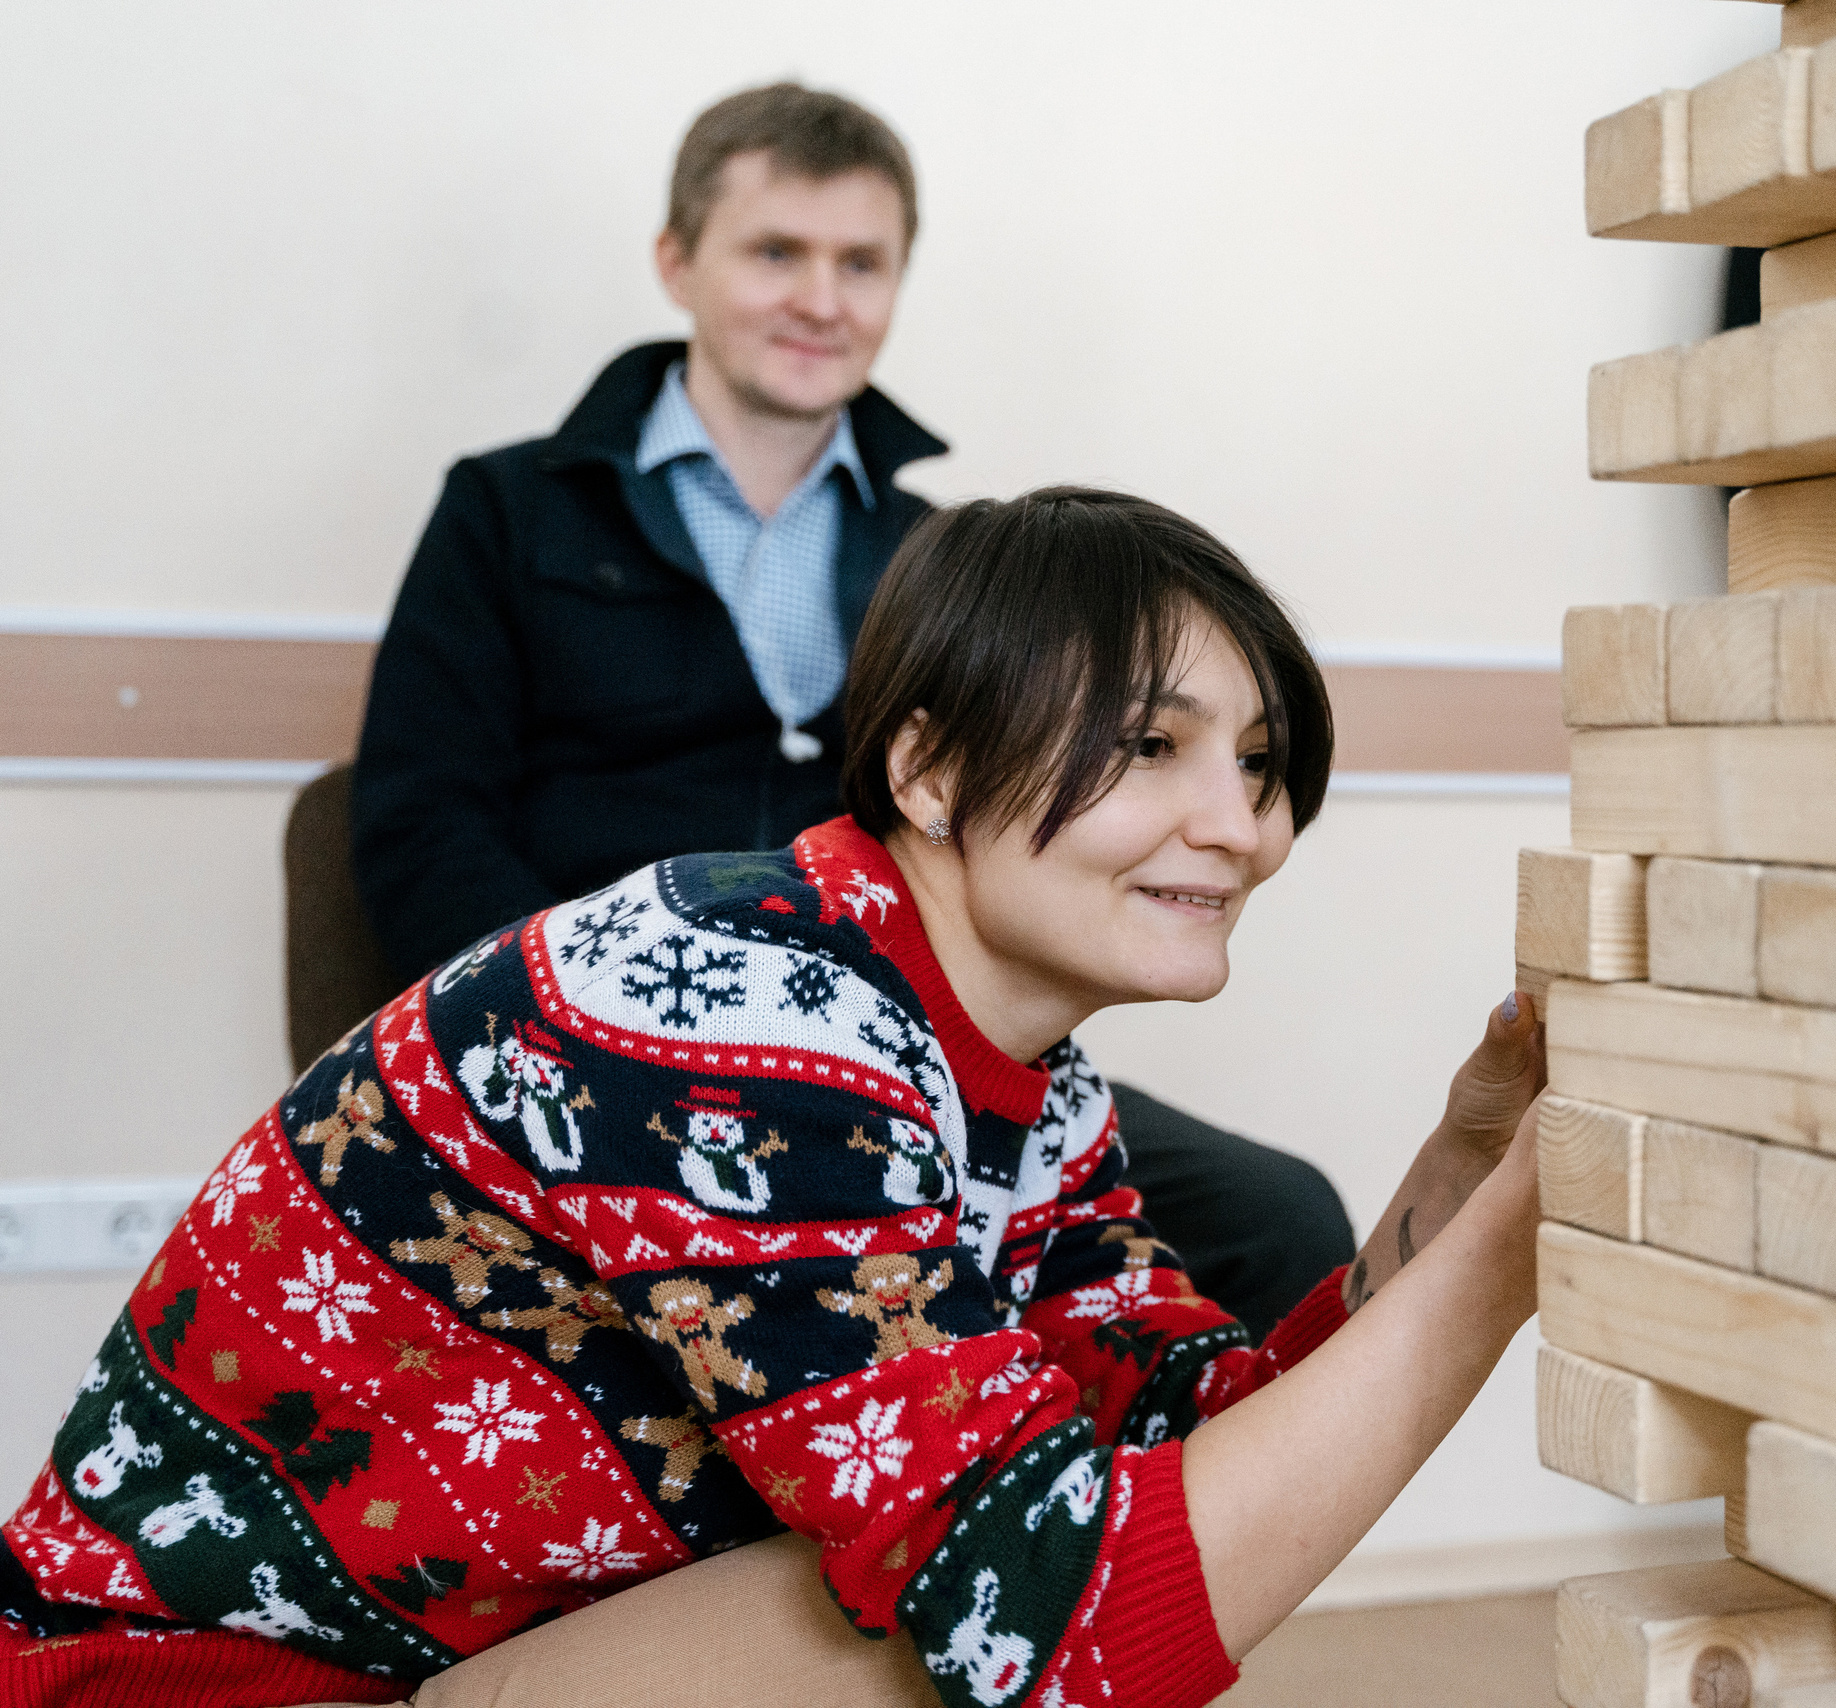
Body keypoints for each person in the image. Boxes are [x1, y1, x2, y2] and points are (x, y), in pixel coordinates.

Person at [1, 489, 1546, 1708]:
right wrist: (1507, 1259)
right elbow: (1061, 1627)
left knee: (1035, 1545)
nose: (1243, 828)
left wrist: (1472, 1166)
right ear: (931, 773)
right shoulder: (751, 1018)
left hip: (449, 1651)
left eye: (1264, 764)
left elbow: (1196, 1431)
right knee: (982, 1616)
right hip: (201, 1689)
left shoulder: (1014, 1072)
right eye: (1150, 746)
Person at [348, 82, 1353, 1339]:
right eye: (777, 252)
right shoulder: (509, 512)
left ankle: (1110, 1533)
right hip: (595, 1049)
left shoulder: (942, 556)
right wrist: (598, 1039)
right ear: (677, 263)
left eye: (861, 263)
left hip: (897, 1053)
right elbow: (418, 825)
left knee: (1279, 1218)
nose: (821, 299)